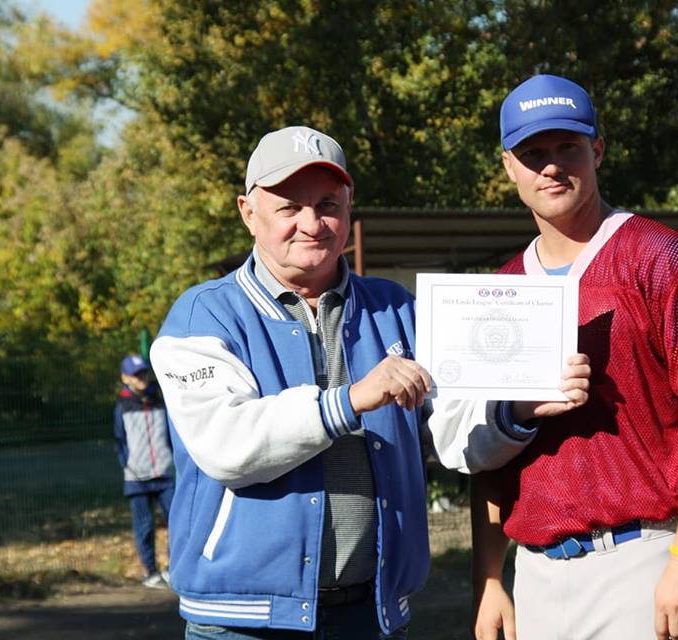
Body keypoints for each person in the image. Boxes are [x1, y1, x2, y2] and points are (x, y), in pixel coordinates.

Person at [149, 125, 593, 639]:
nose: (311, 223)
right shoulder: (203, 315)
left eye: (327, 204)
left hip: (373, 614)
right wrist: (351, 400)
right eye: (289, 207)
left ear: (349, 206)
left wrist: (516, 409)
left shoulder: (400, 308)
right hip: (242, 623)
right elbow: (227, 446)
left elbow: (456, 439)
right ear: (248, 213)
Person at [432, 74, 678, 640]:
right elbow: (482, 457)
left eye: (568, 147)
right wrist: (489, 577)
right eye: (533, 153)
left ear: (598, 150)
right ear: (508, 165)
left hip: (641, 559)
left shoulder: (662, 258)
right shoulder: (502, 288)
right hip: (534, 572)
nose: (551, 166)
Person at [114, 353, 174, 590]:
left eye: (144, 373)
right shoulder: (122, 407)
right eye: (136, 375)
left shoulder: (159, 400)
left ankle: (172, 568)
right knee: (144, 526)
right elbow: (119, 440)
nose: (142, 378)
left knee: (176, 522)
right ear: (125, 378)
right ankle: (151, 571)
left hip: (165, 473)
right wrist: (128, 464)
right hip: (137, 478)